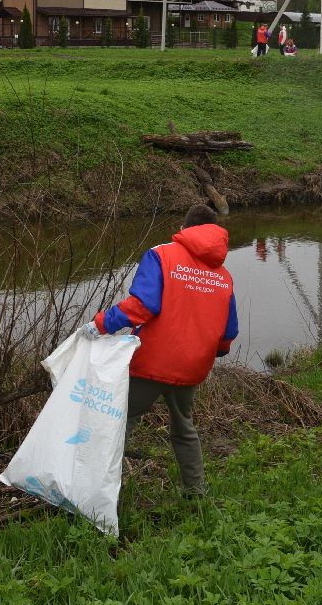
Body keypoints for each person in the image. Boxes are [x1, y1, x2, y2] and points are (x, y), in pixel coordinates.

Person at [93, 203, 238, 497]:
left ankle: (97, 493)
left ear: (184, 230)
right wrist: (211, 352)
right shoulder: (223, 275)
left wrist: (101, 323)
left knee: (120, 425)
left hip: (153, 362)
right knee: (184, 427)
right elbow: (227, 334)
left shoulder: (161, 255)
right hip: (192, 366)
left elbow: (143, 306)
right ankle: (196, 493)